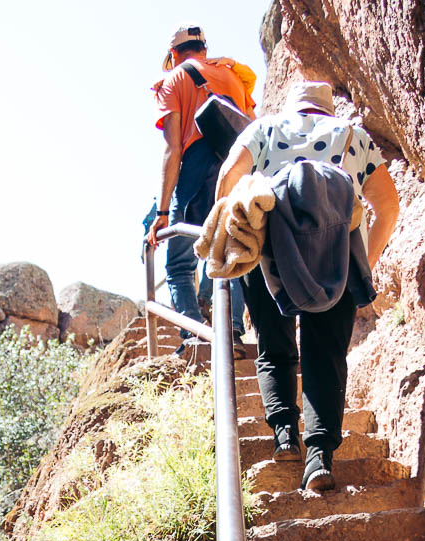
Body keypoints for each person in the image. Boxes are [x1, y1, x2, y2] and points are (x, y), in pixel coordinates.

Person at [216, 80, 400, 490]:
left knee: (274, 346)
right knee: (326, 354)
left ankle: (285, 434)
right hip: (336, 258)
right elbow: (389, 206)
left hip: (270, 255)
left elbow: (231, 174)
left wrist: (226, 238)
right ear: (328, 110)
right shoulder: (353, 136)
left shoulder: (264, 129)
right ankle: (319, 458)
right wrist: (363, 264)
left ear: (292, 108)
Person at [148, 24, 256, 357]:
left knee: (179, 264)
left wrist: (162, 213)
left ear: (173, 55)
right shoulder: (232, 78)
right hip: (237, 168)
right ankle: (232, 331)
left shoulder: (174, 80)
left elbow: (172, 150)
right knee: (229, 253)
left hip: (197, 168)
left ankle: (196, 335)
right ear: (204, 49)